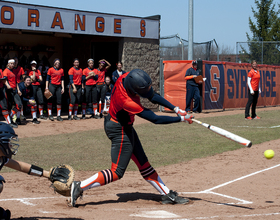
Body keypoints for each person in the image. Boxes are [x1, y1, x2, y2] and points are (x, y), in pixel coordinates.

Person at [70, 69, 193, 207]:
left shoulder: (127, 77)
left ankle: (166, 194)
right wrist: (181, 119)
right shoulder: (127, 101)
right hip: (119, 129)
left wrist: (176, 109)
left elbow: (152, 96)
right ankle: (80, 186)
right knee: (117, 171)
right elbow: (155, 119)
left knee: (143, 163)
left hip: (124, 126)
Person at [0, 122, 59, 219]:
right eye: (9, 142)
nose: (11, 145)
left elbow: (21, 166)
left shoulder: (2, 158)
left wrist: (48, 174)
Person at [3, 59, 23, 126]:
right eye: (11, 63)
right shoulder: (6, 70)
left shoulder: (14, 71)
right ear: (8, 64)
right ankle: (9, 122)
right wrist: (7, 85)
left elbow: (16, 82)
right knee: (9, 106)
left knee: (19, 104)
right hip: (9, 90)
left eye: (13, 63)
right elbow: (4, 80)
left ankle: (11, 117)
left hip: (14, 90)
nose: (12, 65)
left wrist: (19, 90)